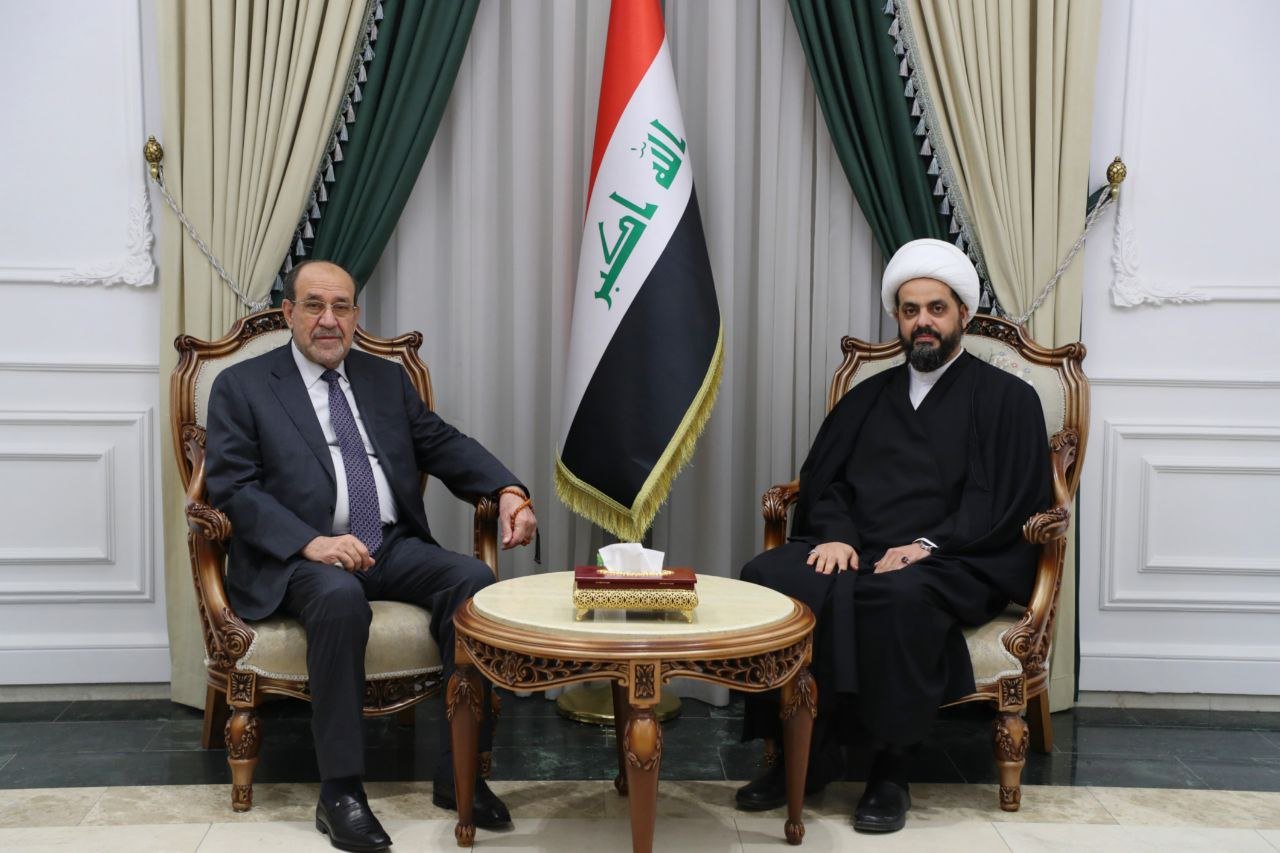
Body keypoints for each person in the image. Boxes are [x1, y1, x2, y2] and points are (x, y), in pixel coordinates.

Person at [205, 260, 536, 852]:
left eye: (341, 307)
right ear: (289, 313)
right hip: (300, 557)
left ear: (356, 315)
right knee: (338, 597)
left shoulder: (384, 379)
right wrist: (310, 542)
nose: (328, 320)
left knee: (473, 580)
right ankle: (340, 793)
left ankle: (459, 773)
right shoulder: (244, 385)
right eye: (314, 305)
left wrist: (508, 489)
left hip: (388, 543)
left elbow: (440, 442)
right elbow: (234, 488)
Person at [734, 239, 1051, 833]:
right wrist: (836, 536)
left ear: (962, 315)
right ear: (898, 319)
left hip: (957, 557)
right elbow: (826, 482)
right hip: (860, 549)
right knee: (768, 577)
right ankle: (802, 754)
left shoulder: (1009, 399)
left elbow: (1010, 501)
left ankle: (889, 769)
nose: (923, 322)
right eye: (910, 311)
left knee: (898, 598)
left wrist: (927, 546)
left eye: (936, 308)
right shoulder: (867, 398)